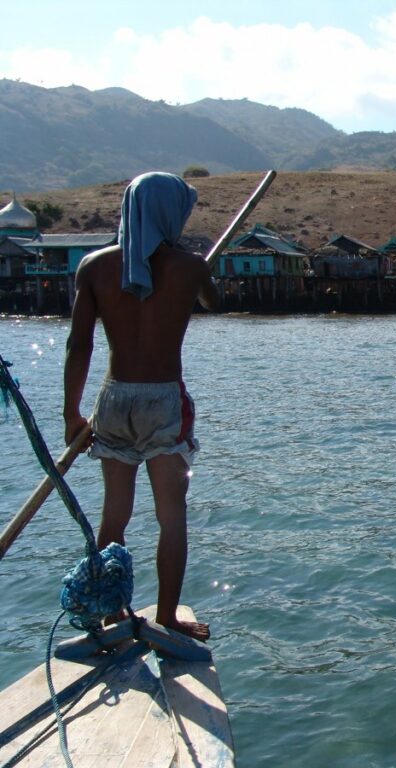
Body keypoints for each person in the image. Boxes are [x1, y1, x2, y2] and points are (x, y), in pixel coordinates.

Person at [63, 172, 219, 641]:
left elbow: (79, 344)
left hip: (114, 399)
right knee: (171, 515)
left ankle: (111, 613)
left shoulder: (93, 266)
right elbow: (216, 303)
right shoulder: (191, 268)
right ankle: (167, 618)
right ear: (170, 214)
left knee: (115, 514)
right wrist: (205, 269)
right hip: (163, 399)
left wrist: (71, 413)